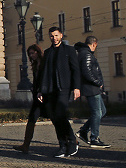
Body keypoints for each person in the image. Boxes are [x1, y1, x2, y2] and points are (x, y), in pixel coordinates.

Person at [37, 26, 81, 158]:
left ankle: (72, 140)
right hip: (50, 89)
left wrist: (76, 87)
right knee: (55, 118)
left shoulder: (69, 50)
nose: (54, 38)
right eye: (51, 36)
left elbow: (75, 70)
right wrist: (40, 90)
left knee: (60, 115)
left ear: (61, 35)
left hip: (64, 87)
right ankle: (62, 145)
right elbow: (43, 73)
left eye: (56, 35)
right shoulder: (48, 52)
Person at [75, 36, 109, 148]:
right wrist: (98, 82)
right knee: (97, 112)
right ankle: (94, 138)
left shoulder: (84, 53)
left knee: (102, 111)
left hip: (92, 88)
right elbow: (87, 72)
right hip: (91, 88)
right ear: (94, 44)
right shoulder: (87, 54)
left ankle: (83, 131)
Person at [13, 44, 44, 153]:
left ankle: (72, 140)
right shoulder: (36, 64)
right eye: (30, 54)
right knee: (32, 119)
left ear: (38, 52)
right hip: (37, 96)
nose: (32, 55)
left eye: (33, 53)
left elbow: (45, 79)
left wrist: (41, 90)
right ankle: (26, 144)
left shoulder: (44, 63)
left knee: (57, 119)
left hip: (44, 96)